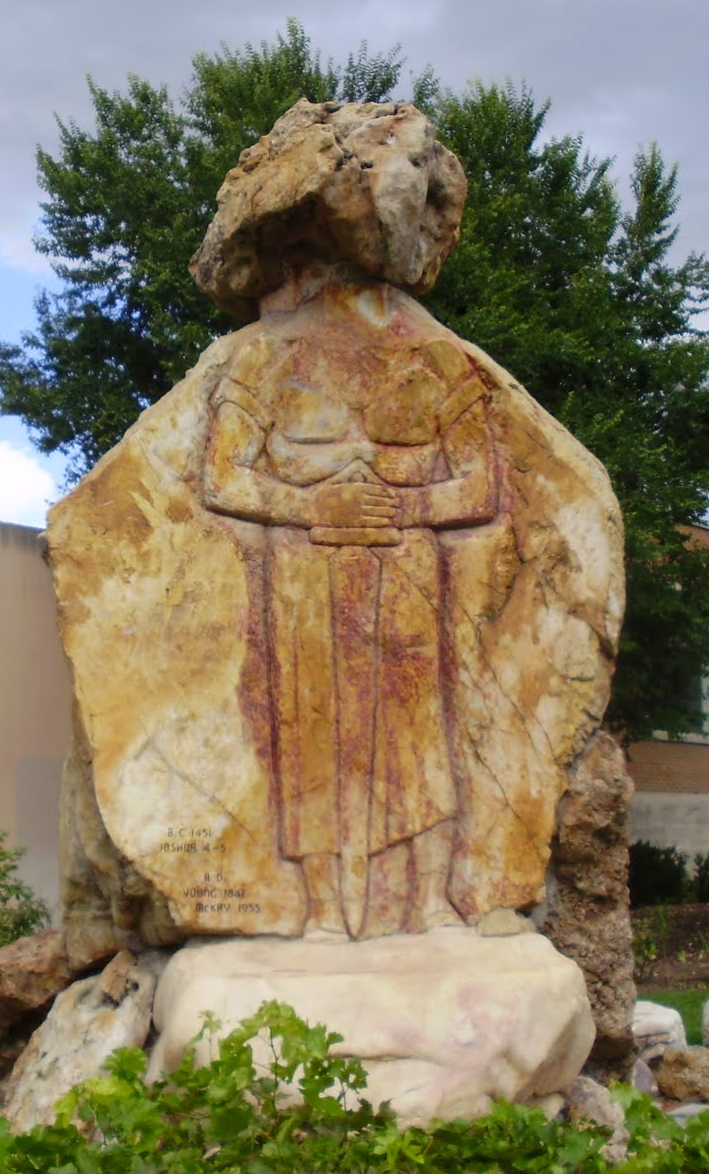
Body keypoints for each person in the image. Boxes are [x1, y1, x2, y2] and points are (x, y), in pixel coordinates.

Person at [202, 261, 499, 936]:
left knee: (416, 729)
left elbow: (479, 488)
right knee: (310, 732)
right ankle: (324, 910)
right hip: (303, 572)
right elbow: (223, 476)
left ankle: (427, 902)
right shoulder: (264, 360)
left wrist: (401, 508)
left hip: (408, 569)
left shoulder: (439, 364)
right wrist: (308, 506)